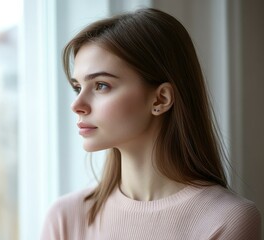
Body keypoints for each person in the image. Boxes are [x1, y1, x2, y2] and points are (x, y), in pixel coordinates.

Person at [40, 8, 261, 240]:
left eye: (101, 85)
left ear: (161, 99)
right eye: (77, 87)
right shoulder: (66, 217)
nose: (77, 104)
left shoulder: (226, 219)